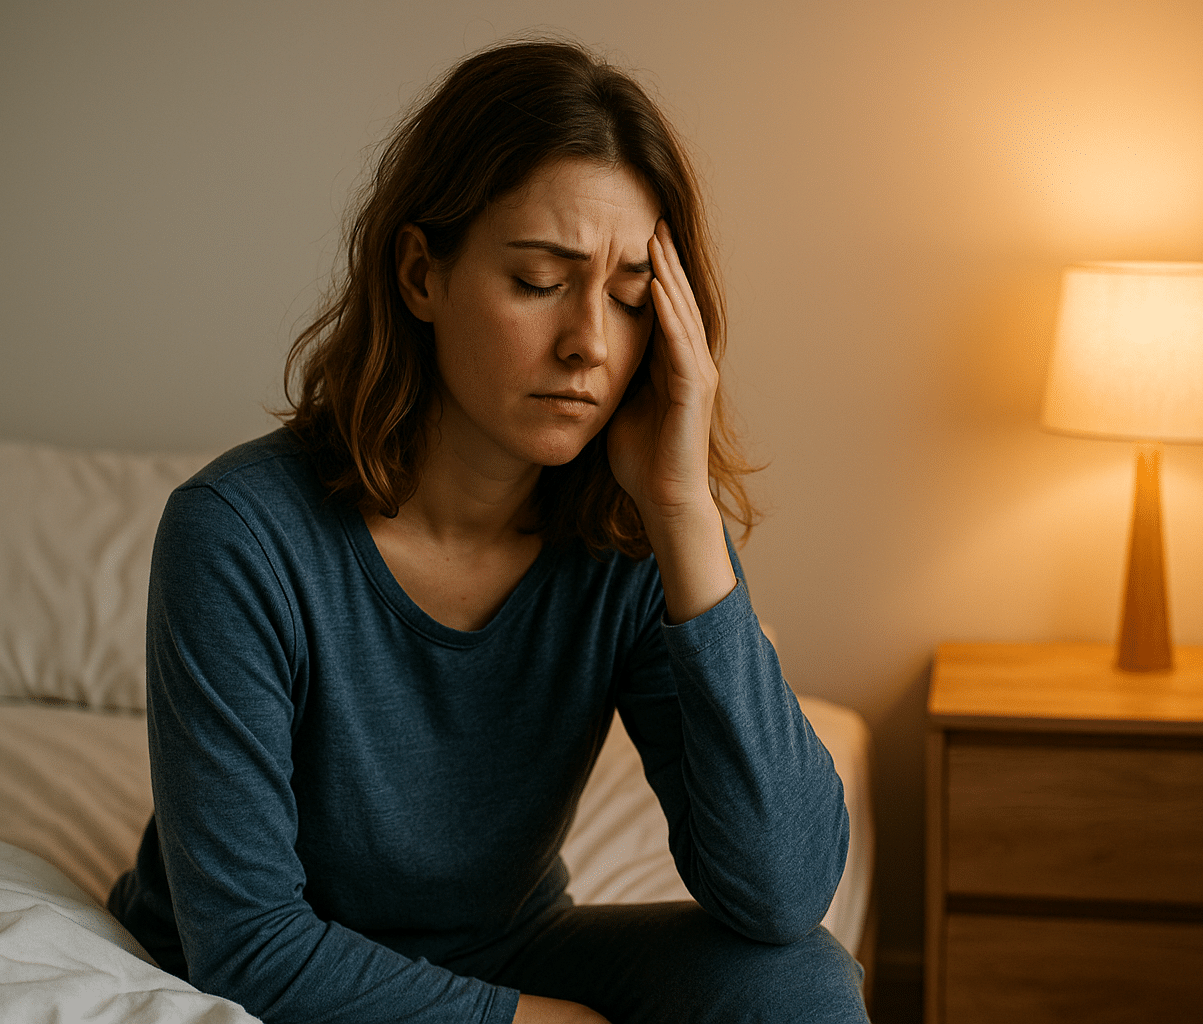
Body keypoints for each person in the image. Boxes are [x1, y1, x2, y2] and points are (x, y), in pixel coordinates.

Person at [108, 39, 868, 1024]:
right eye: (540, 280)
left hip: (507, 942)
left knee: (799, 981)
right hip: (272, 962)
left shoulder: (629, 540)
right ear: (422, 273)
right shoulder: (239, 535)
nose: (590, 340)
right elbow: (249, 943)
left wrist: (683, 512)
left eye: (632, 295)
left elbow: (781, 893)